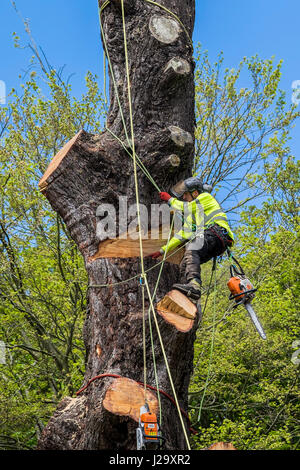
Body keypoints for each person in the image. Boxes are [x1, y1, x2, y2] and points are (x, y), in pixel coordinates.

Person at [148, 177, 234, 301]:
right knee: (185, 263)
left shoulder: (205, 198)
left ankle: (194, 285)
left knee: (193, 247)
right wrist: (162, 250)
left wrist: (170, 199)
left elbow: (185, 207)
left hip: (217, 233)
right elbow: (183, 234)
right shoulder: (192, 214)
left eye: (186, 195)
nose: (183, 198)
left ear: (195, 193)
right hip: (213, 241)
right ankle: (187, 295)